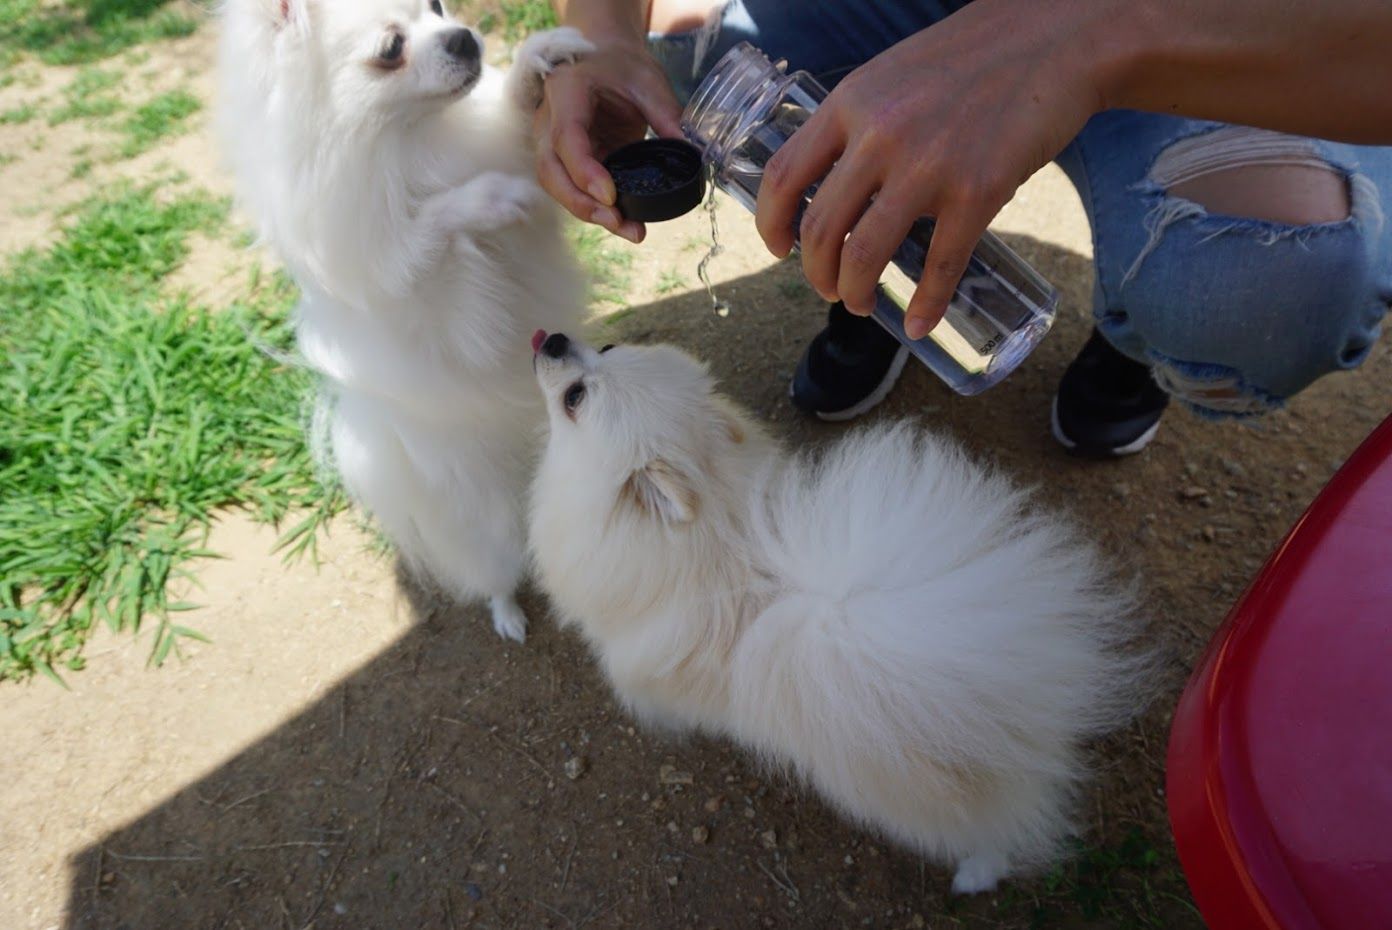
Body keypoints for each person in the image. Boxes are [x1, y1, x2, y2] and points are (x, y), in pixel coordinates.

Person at [533, 0, 1392, 455]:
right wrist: (604, 33)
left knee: (1271, 282)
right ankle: (886, 250)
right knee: (719, 80)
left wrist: (1078, 32)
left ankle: (1132, 342)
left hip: (1213, 24)